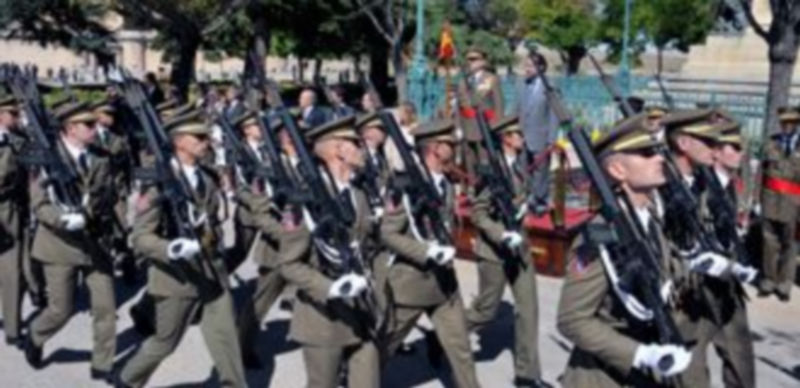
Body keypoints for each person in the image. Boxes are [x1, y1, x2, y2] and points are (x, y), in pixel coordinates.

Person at [557, 118, 692, 387]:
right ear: (618, 169)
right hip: (603, 376)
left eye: (657, 150)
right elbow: (572, 319)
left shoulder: (649, 218)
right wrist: (640, 354)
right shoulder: (600, 235)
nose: (659, 158)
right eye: (646, 153)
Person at [116, 110, 246, 388]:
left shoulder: (207, 176)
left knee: (225, 334)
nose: (206, 141)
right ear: (179, 142)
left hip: (213, 272)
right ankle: (127, 380)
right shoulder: (157, 184)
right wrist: (171, 248)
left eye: (206, 136)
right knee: (165, 342)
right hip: (176, 277)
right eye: (198, 137)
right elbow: (140, 237)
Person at [276, 115, 380, 388]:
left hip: (362, 311)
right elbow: (288, 263)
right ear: (338, 151)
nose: (362, 146)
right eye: (354, 142)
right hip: (323, 319)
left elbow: (369, 246)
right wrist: (331, 288)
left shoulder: (358, 194)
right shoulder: (305, 203)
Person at [381, 119, 480, 388]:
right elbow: (388, 234)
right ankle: (354, 376)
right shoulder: (405, 186)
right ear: (435, 148)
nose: (455, 148)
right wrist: (427, 251)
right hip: (412, 284)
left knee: (460, 349)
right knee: (384, 346)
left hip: (445, 284)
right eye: (449, 144)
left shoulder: (445, 183)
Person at [25, 102, 117, 384]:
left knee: (106, 308)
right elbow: (40, 205)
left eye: (94, 124)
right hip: (59, 245)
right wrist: (63, 219)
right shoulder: (47, 160)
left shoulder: (101, 157)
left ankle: (103, 361)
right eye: (88, 125)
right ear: (70, 129)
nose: (95, 128)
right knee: (60, 310)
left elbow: (107, 196)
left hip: (94, 243)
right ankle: (36, 335)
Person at [465, 115, 545, 387]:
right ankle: (445, 336)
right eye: (518, 134)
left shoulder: (519, 168)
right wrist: (501, 234)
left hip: (519, 250)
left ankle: (527, 374)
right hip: (494, 252)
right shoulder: (491, 172)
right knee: (485, 311)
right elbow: (477, 214)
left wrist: (524, 208)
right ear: (507, 139)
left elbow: (519, 198)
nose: (522, 138)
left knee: (529, 310)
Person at [759, 106, 800, 301]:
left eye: (791, 123)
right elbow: (761, 172)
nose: (787, 126)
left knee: (790, 245)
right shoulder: (770, 144)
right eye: (784, 123)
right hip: (770, 201)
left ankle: (784, 285)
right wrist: (754, 200)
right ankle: (769, 280)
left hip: (795, 205)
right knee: (769, 243)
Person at [0, 96, 29, 349]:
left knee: (12, 270)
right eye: (12, 113)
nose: (17, 117)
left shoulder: (17, 141)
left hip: (9, 209)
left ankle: (12, 326)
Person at [516, 53, 558, 216]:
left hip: (541, 135)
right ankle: (525, 199)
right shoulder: (521, 85)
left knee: (541, 171)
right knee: (522, 168)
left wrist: (551, 139)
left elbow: (555, 114)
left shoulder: (550, 86)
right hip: (522, 136)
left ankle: (540, 200)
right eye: (525, 66)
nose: (527, 69)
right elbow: (517, 110)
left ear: (541, 67)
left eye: (530, 66)